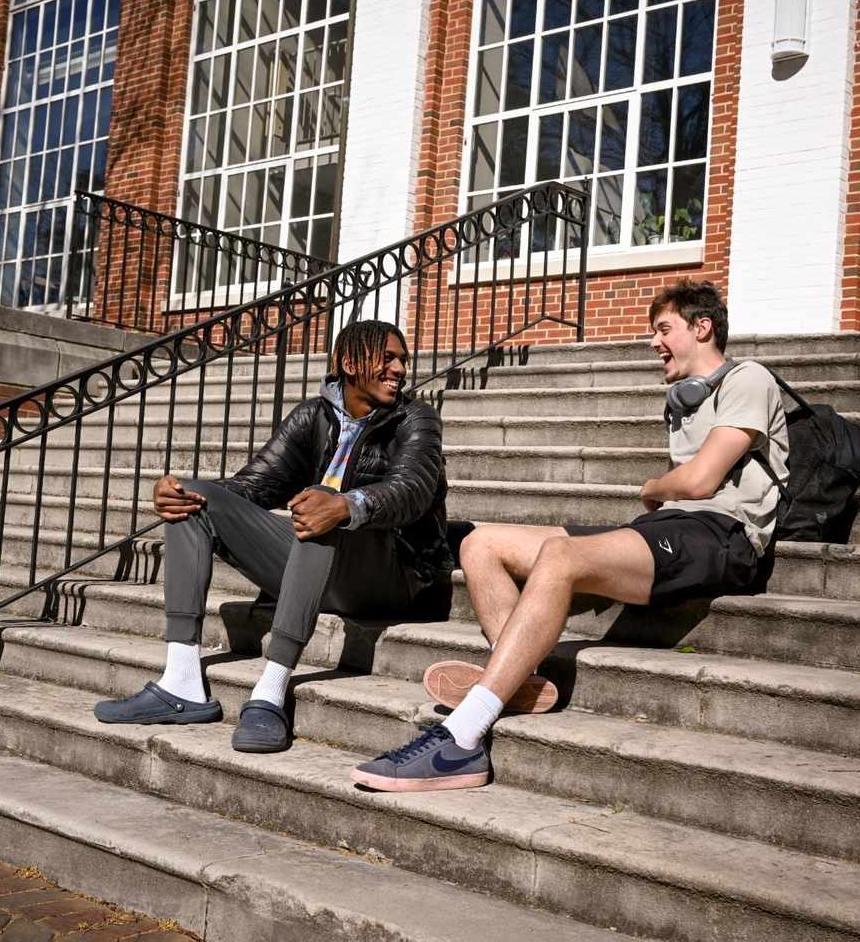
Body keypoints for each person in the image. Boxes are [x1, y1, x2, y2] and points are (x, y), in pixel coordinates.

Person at [351, 279, 788, 791]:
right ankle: (515, 681)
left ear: (703, 327)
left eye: (663, 329)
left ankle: (460, 742)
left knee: (559, 556)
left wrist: (653, 485)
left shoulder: (749, 378)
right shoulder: (683, 401)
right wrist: (662, 497)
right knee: (478, 543)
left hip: (723, 536)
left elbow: (698, 481)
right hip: (668, 529)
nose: (653, 342)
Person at [94, 319, 451, 753]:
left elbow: (410, 491)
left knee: (324, 502)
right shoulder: (311, 417)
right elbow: (252, 487)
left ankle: (269, 690)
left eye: (402, 361)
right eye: (387, 357)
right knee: (195, 500)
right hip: (318, 569)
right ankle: (181, 680)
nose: (399, 369)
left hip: (391, 577)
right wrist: (176, 493)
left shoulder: (416, 420)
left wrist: (345, 504)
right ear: (347, 360)